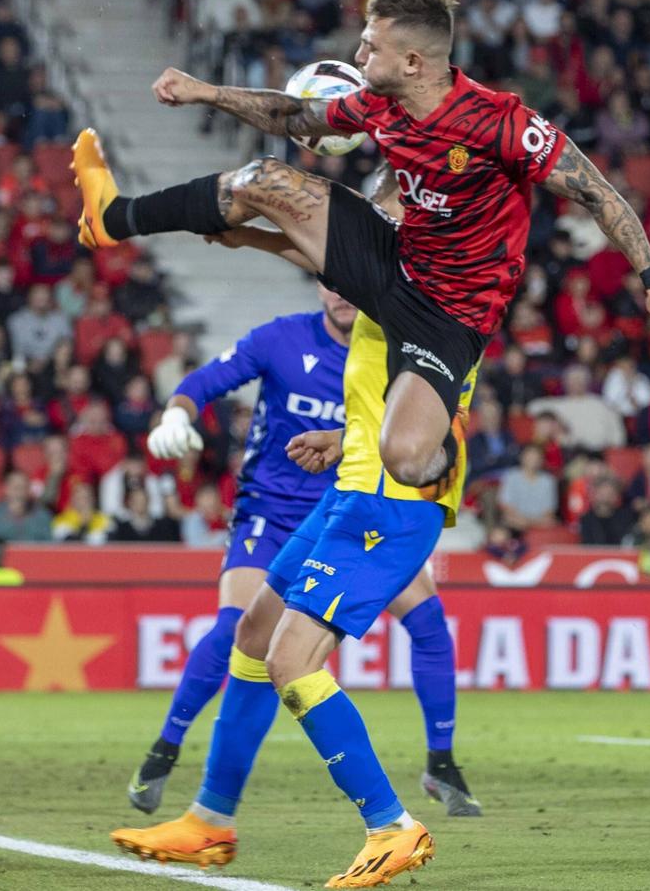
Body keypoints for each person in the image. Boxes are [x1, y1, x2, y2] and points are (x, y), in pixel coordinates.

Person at [71, 0, 650, 495]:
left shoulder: (501, 123)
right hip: (394, 260)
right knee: (262, 179)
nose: (357, 58)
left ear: (413, 61)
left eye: (370, 47)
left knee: (403, 460)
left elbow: (596, 190)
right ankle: (113, 216)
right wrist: (204, 93)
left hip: (451, 317)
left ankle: (444, 458)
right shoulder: (380, 105)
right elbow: (295, 116)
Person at [111, 186, 485, 886]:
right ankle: (209, 820)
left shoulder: (425, 277)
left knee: (293, 659)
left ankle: (392, 824)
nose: (371, 219)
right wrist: (347, 435)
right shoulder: (397, 280)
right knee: (254, 631)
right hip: (353, 486)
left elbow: (317, 249)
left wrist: (239, 226)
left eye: (386, 207)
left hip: (389, 502)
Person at [123, 291, 353, 814]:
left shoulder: (389, 352)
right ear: (318, 283)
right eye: (329, 280)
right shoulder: (282, 338)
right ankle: (167, 746)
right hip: (267, 515)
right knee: (237, 626)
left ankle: (439, 762)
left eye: (349, 281)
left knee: (289, 656)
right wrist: (177, 416)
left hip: (339, 522)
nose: (340, 294)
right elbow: (204, 381)